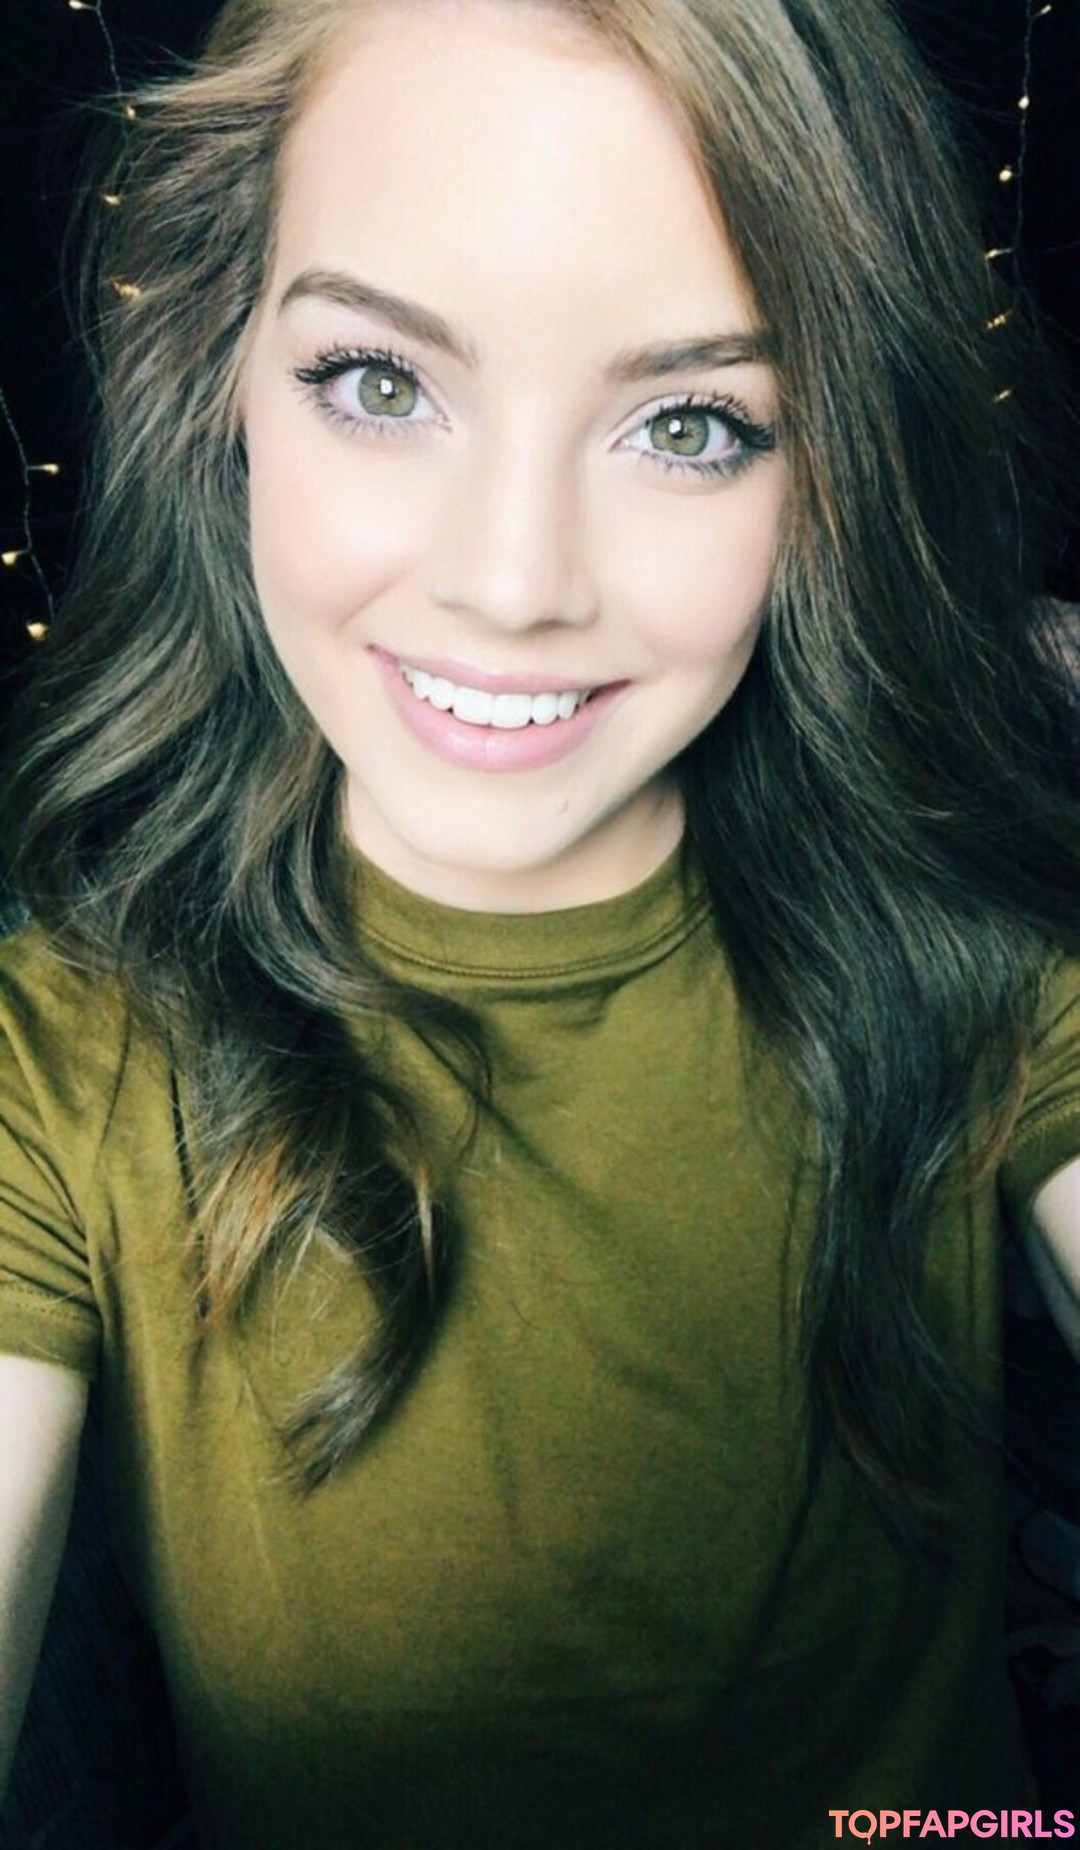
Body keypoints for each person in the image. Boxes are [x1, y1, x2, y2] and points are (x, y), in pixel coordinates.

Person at [0, 0, 1077, 1843]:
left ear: (829, 466)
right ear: (223, 379)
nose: (513, 585)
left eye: (689, 424)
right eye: (378, 382)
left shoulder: (977, 947)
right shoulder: (63, 1057)